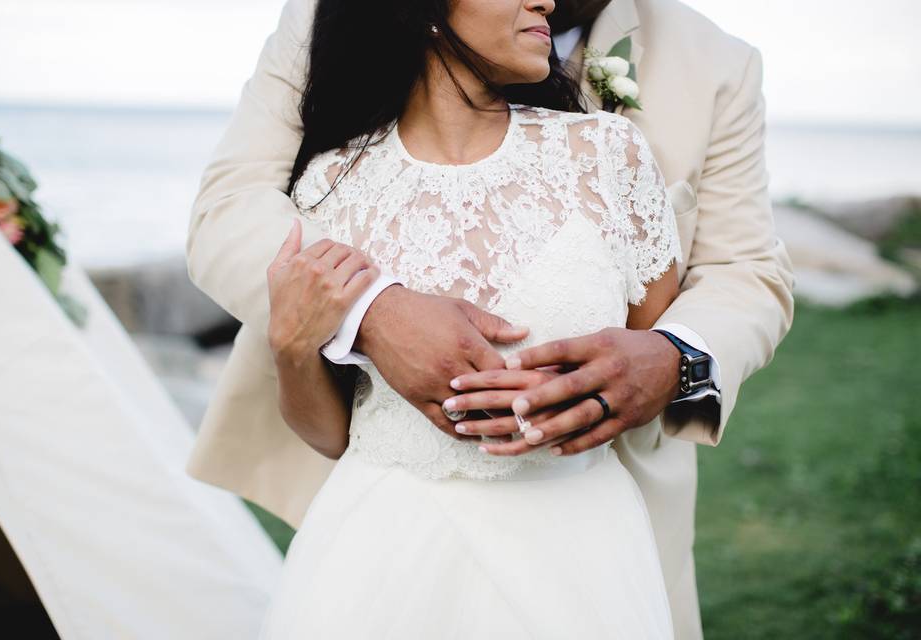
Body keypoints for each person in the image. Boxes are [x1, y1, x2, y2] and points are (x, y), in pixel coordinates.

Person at [185, 0, 795, 637]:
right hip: (382, 540)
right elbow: (230, 206)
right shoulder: (334, 163)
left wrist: (674, 357)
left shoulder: (687, 88)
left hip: (588, 534)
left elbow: (745, 268)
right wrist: (368, 311)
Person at [255, 0, 680, 635]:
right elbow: (330, 432)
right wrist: (291, 346)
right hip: (378, 557)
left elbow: (647, 362)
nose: (547, 0)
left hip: (576, 551)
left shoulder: (608, 156)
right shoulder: (331, 183)